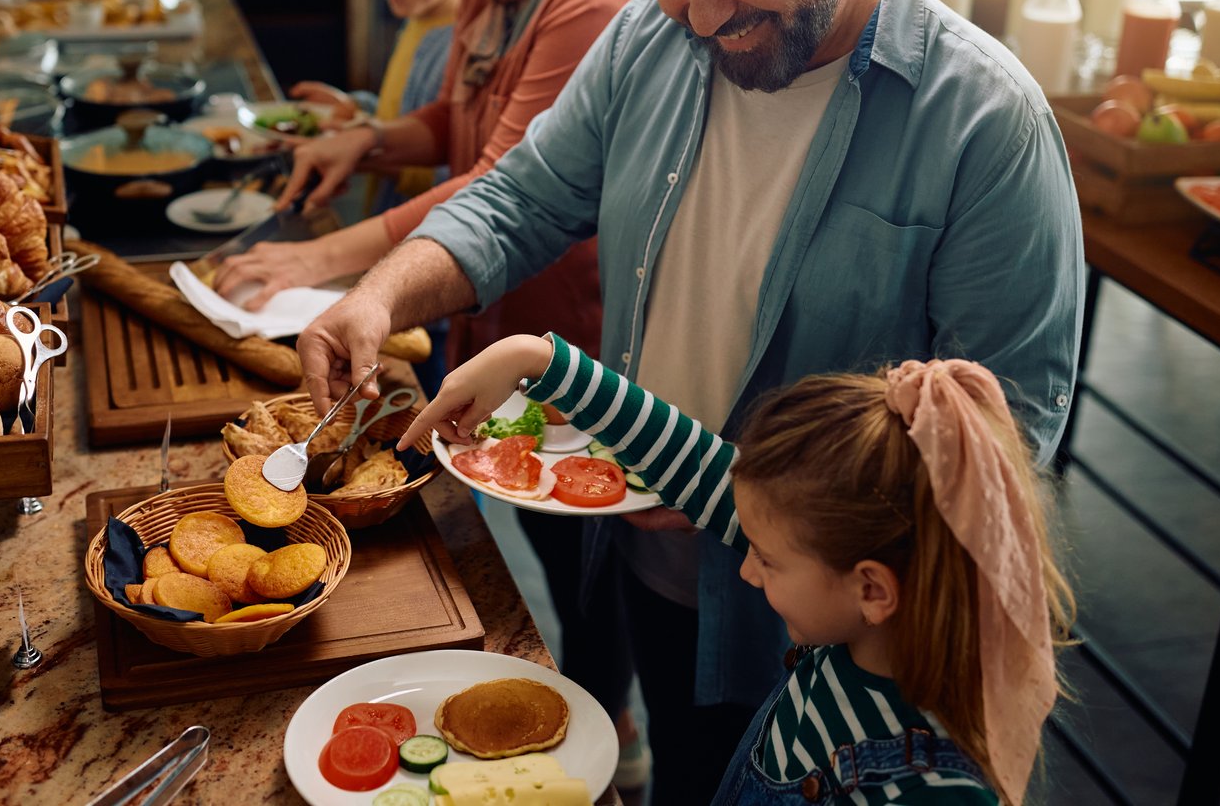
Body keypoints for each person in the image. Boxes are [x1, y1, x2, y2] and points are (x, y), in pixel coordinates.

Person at [292, 0, 1083, 799]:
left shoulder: (986, 125)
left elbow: (1003, 449)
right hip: (650, 558)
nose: (704, 18)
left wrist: (764, 509)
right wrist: (380, 295)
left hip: (853, 639)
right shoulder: (643, 41)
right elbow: (521, 201)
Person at [216, 0, 655, 785]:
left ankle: (611, 744)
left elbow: (502, 182)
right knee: (523, 547)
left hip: (573, 339)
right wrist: (369, 138)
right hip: (486, 319)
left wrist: (325, 258)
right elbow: (458, 128)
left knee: (593, 565)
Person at [397, 335, 1074, 806]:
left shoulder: (929, 790)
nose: (746, 570)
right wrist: (532, 358)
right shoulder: (851, 614)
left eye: (767, 559)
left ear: (872, 588)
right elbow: (692, 460)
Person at [287, 0, 464, 395]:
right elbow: (403, 115)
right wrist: (356, 113)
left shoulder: (456, 40)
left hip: (421, 270)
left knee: (423, 383)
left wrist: (363, 146)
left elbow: (439, 162)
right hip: (390, 256)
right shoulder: (419, 19)